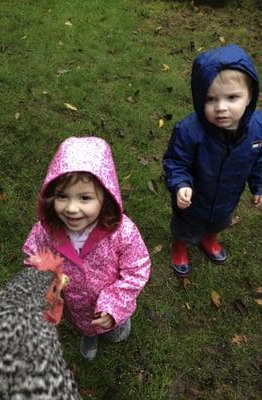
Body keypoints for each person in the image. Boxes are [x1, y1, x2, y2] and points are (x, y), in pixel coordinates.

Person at [23, 136, 151, 360]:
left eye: (85, 198)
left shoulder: (122, 232)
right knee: (86, 326)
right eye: (63, 196)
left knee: (116, 332)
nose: (72, 208)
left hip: (113, 303)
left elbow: (137, 269)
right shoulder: (47, 231)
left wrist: (114, 307)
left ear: (105, 197)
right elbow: (36, 259)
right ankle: (88, 336)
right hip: (78, 307)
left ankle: (117, 326)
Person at [163, 44, 262, 276]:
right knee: (185, 227)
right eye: (210, 99)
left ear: (251, 96)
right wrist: (181, 185)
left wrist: (259, 185)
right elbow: (176, 161)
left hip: (227, 197)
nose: (221, 108)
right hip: (193, 200)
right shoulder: (189, 131)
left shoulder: (258, 129)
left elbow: (259, 160)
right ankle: (179, 246)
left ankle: (210, 239)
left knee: (219, 221)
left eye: (232, 97)